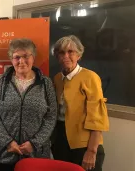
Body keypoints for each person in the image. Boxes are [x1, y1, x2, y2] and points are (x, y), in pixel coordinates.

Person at [0, 38, 57, 171]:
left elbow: (51, 116)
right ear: (11, 59)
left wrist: (34, 143)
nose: (21, 61)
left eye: (26, 56)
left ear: (33, 57)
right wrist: (8, 141)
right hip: (6, 152)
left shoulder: (45, 83)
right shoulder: (2, 82)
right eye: (17, 57)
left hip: (35, 153)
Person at [51, 35, 109, 171]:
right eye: (61, 52)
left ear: (79, 55)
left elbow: (97, 118)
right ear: (57, 56)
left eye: (71, 52)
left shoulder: (90, 77)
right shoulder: (57, 78)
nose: (66, 56)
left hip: (84, 144)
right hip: (60, 141)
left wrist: (91, 151)